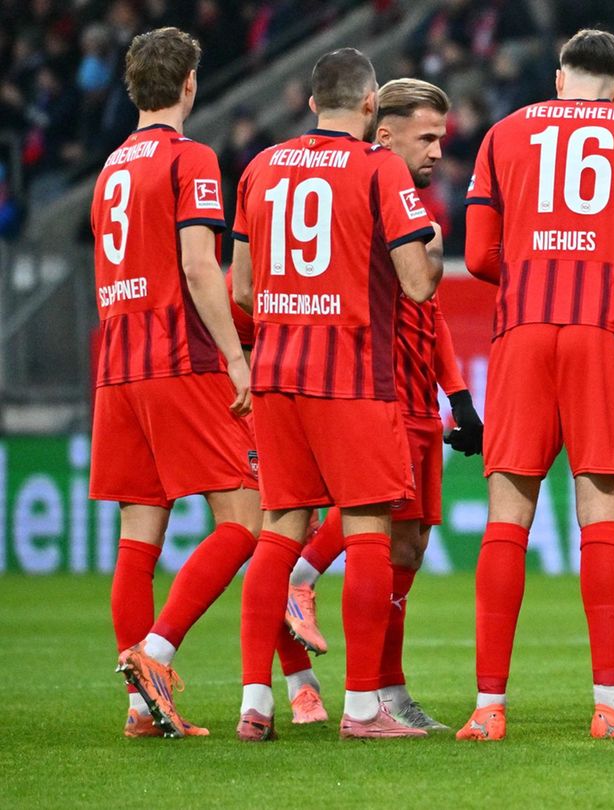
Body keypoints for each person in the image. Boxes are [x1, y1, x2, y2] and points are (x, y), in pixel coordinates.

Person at [461, 29, 614, 741]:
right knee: (602, 520)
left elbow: (476, 254)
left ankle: (489, 708)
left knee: (506, 518)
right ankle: (611, 704)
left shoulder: (503, 133)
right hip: (601, 334)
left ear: (560, 79)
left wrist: (533, 265)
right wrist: (601, 264)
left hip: (522, 332)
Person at [229, 47, 442, 741]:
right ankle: (361, 709)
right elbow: (417, 283)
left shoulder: (260, 167)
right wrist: (425, 244)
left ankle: (255, 704)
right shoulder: (378, 167)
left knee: (279, 534)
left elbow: (240, 288)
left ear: (312, 100)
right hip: (349, 374)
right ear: (372, 104)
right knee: (369, 532)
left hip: (275, 374)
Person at [273, 78, 485, 731]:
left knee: (408, 545)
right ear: (382, 130)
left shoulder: (416, 202)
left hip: (420, 395)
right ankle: (302, 589)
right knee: (369, 515)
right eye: (427, 137)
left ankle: (386, 691)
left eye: (441, 139)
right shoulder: (361, 192)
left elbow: (431, 310)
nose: (438, 153)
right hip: (370, 388)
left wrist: (458, 395)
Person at [101, 27, 261, 739]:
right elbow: (201, 266)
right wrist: (234, 354)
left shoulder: (109, 168)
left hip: (116, 369)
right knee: (246, 519)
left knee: (139, 537)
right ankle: (155, 654)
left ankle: (142, 708)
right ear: (190, 84)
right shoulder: (189, 157)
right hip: (176, 359)